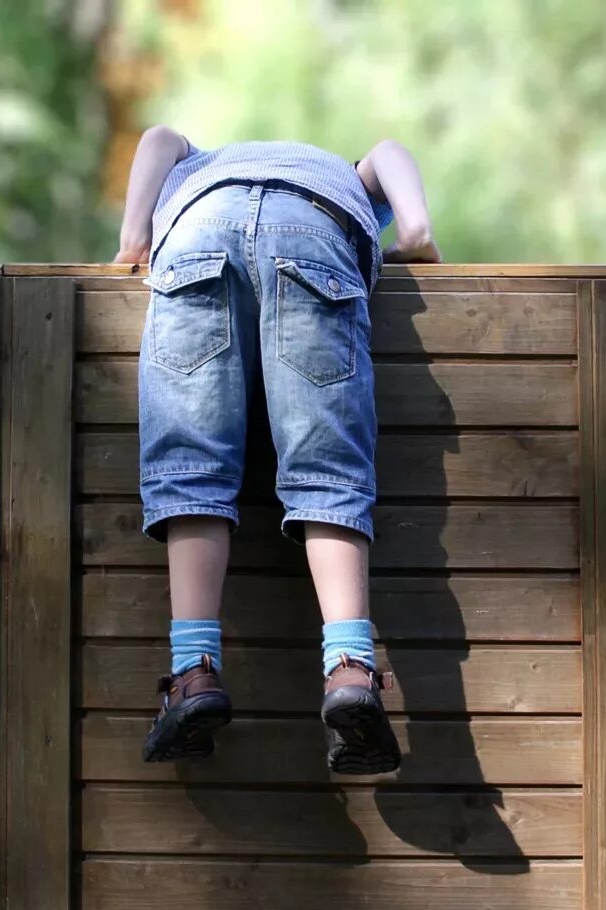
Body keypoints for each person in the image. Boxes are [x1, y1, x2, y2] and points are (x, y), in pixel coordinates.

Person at [113, 129, 442, 773]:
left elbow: (154, 139)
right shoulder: (343, 175)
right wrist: (416, 237)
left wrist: (133, 242)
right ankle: (350, 669)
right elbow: (392, 157)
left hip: (197, 227)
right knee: (328, 473)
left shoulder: (199, 162)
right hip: (315, 229)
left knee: (191, 470)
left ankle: (192, 673)